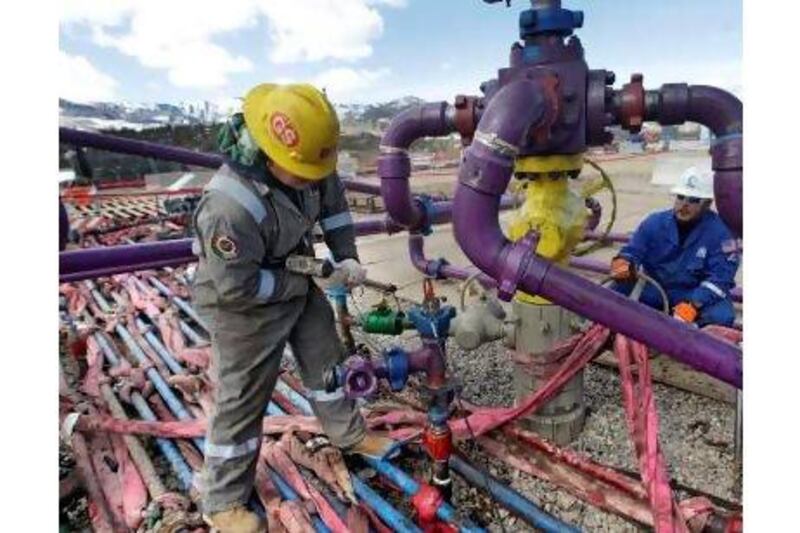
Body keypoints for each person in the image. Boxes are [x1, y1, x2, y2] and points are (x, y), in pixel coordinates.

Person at [191, 83, 393, 532]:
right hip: (241, 304)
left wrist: (346, 258)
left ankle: (348, 433)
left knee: (327, 362)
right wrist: (301, 277)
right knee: (242, 397)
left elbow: (335, 210)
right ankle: (222, 501)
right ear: (267, 152)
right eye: (301, 172)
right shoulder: (229, 206)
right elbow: (236, 286)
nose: (311, 179)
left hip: (294, 280)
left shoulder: (310, 162)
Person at [609, 166, 740, 327]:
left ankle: (686, 338)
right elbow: (633, 251)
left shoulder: (722, 233)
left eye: (693, 200)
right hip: (655, 289)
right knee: (613, 293)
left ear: (707, 203)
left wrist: (693, 304)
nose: (684, 204)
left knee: (722, 316)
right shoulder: (654, 223)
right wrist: (624, 262)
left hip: (694, 292)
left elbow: (721, 279)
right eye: (681, 197)